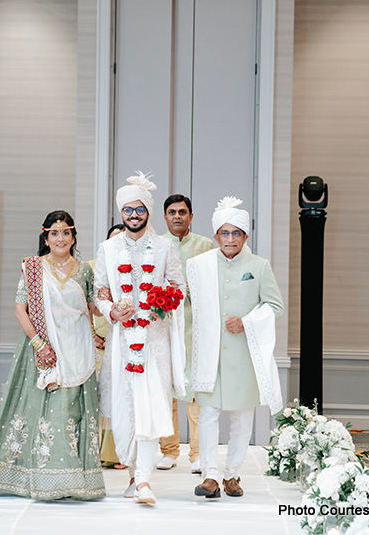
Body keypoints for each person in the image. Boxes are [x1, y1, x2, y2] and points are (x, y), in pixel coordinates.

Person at [0, 210, 105, 501]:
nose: (61, 239)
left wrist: (114, 305)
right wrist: (39, 343)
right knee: (43, 411)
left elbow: (91, 307)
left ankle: (75, 479)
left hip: (78, 348)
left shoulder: (85, 269)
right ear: (46, 237)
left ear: (73, 236)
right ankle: (36, 477)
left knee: (73, 411)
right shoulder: (34, 269)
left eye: (66, 233)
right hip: (43, 349)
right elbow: (20, 310)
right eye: (54, 233)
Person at [94, 172, 187, 505]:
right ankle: (133, 473)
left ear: (148, 211)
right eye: (127, 210)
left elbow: (179, 287)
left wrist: (163, 302)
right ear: (121, 213)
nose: (133, 215)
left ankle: (145, 479)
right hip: (122, 341)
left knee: (150, 404)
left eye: (139, 210)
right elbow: (100, 291)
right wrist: (109, 310)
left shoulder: (163, 247)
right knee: (124, 406)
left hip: (155, 339)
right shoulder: (108, 248)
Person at [187, 196, 284, 499]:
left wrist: (247, 322)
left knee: (242, 418)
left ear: (244, 236)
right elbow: (185, 304)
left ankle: (232, 474)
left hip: (244, 354)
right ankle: (210, 476)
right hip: (209, 354)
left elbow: (275, 305)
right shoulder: (198, 266)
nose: (230, 239)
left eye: (236, 233)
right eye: (224, 233)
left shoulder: (258, 266)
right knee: (208, 415)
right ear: (216, 236)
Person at [157, 194, 213, 473]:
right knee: (166, 389)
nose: (177, 216)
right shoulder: (156, 246)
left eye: (182, 212)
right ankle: (168, 450)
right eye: (171, 212)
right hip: (163, 326)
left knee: (194, 393)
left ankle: (198, 453)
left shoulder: (205, 246)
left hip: (195, 328)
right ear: (164, 217)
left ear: (191, 216)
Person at [87, 223, 126, 470]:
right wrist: (90, 335)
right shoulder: (93, 267)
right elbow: (82, 303)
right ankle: (92, 451)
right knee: (95, 396)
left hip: (121, 339)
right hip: (94, 340)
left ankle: (118, 453)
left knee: (119, 395)